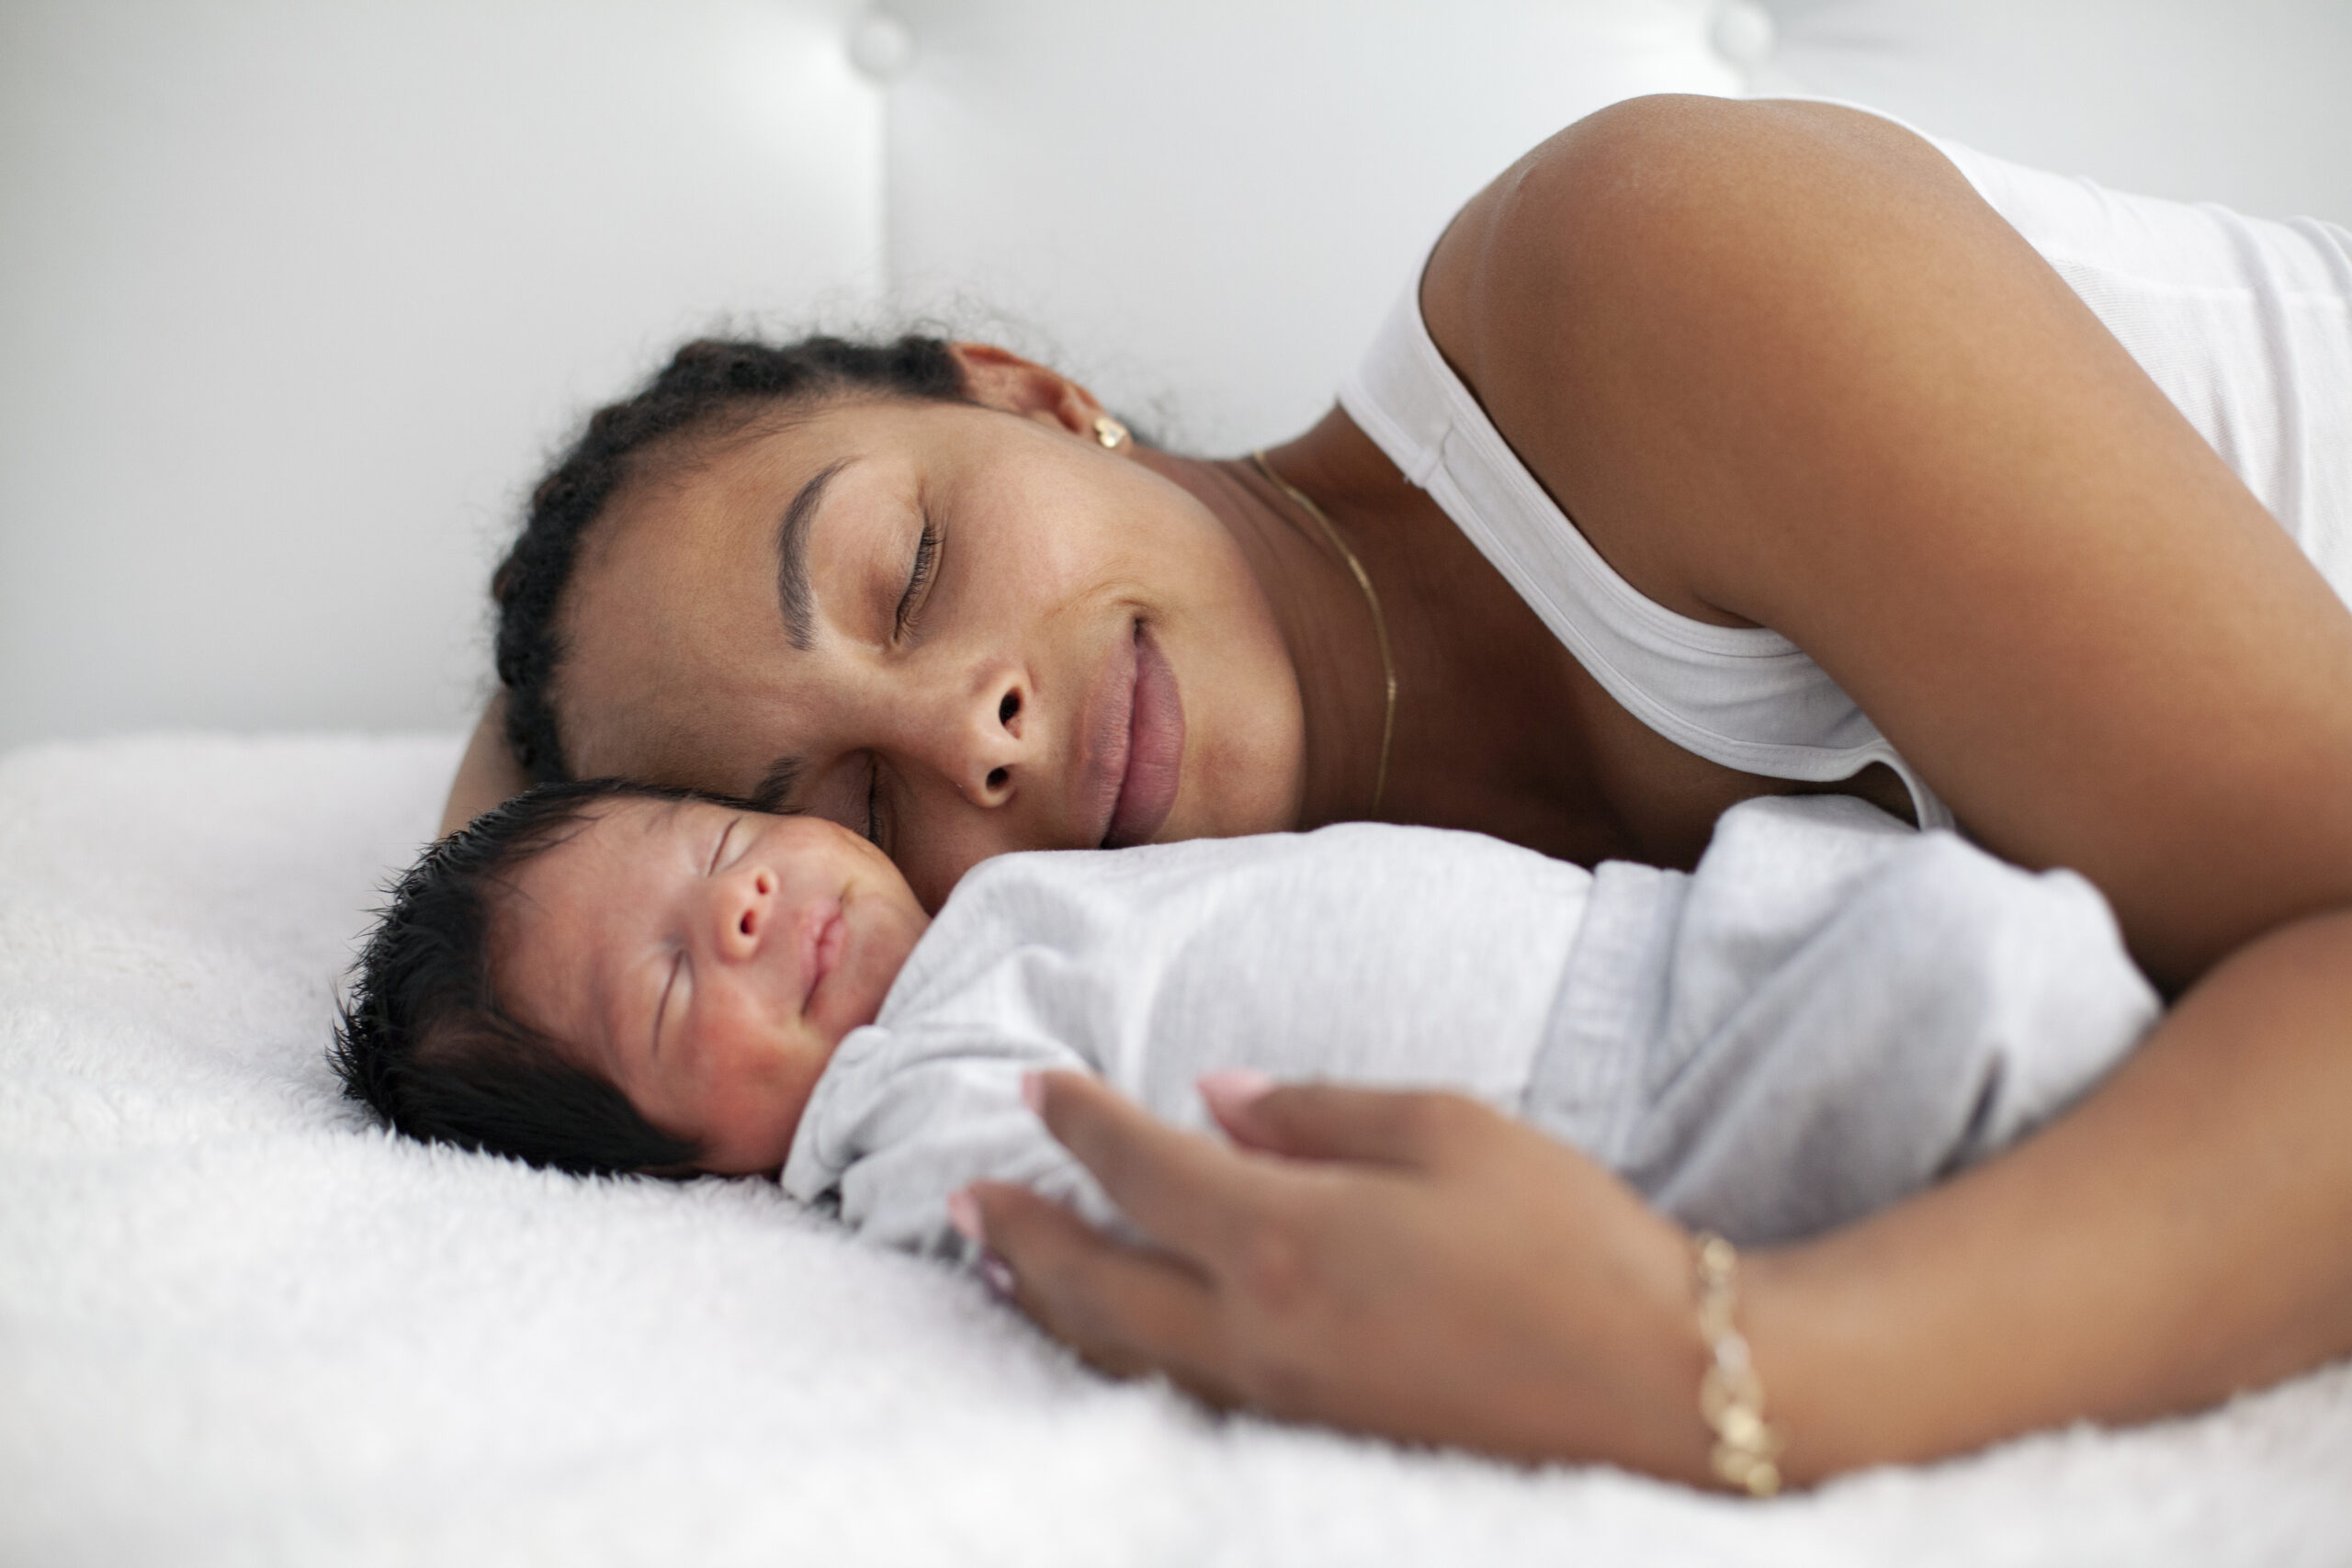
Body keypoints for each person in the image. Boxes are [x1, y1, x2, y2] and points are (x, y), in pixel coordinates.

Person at [437, 96, 2352, 1488]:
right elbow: (529, 949)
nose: (974, 730)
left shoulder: (1647, 269)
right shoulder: (1310, 960)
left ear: (1027, 395)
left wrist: (1729, 1368)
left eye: (908, 567)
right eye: (853, 804)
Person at [341, 780, 2154, 1258]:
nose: (742, 905)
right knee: (1996, 986)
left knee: (1997, 899)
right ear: (672, 1163)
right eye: (671, 980)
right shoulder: (908, 1100)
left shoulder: (999, 899)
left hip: (1674, 929)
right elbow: (1050, 1222)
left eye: (728, 842)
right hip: (1625, 1103)